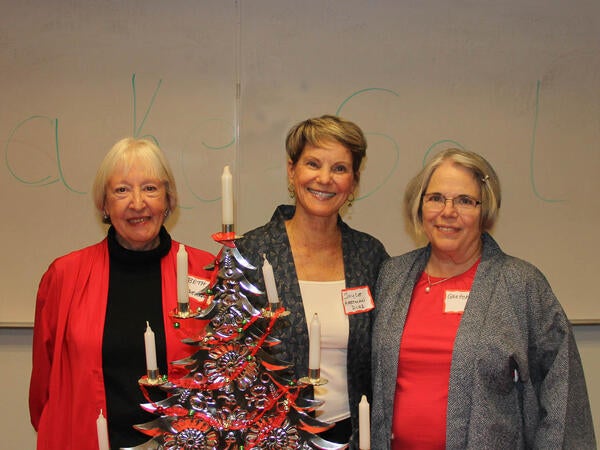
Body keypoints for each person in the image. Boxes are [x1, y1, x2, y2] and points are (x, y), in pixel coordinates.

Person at [371, 148, 596, 449]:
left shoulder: (521, 284)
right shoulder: (393, 276)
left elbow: (564, 394)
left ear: (485, 210)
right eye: (436, 198)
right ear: (419, 205)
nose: (448, 212)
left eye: (465, 201)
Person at [29, 137, 216, 450]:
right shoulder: (64, 276)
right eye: (121, 190)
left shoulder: (207, 272)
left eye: (150, 188)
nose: (138, 203)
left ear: (168, 199)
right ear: (103, 204)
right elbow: (43, 386)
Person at [236, 115, 388, 448]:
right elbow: (229, 360)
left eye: (339, 168)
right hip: (272, 438)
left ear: (354, 181)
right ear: (292, 171)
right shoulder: (251, 254)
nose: (324, 179)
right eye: (313, 164)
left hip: (353, 436)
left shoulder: (370, 256)